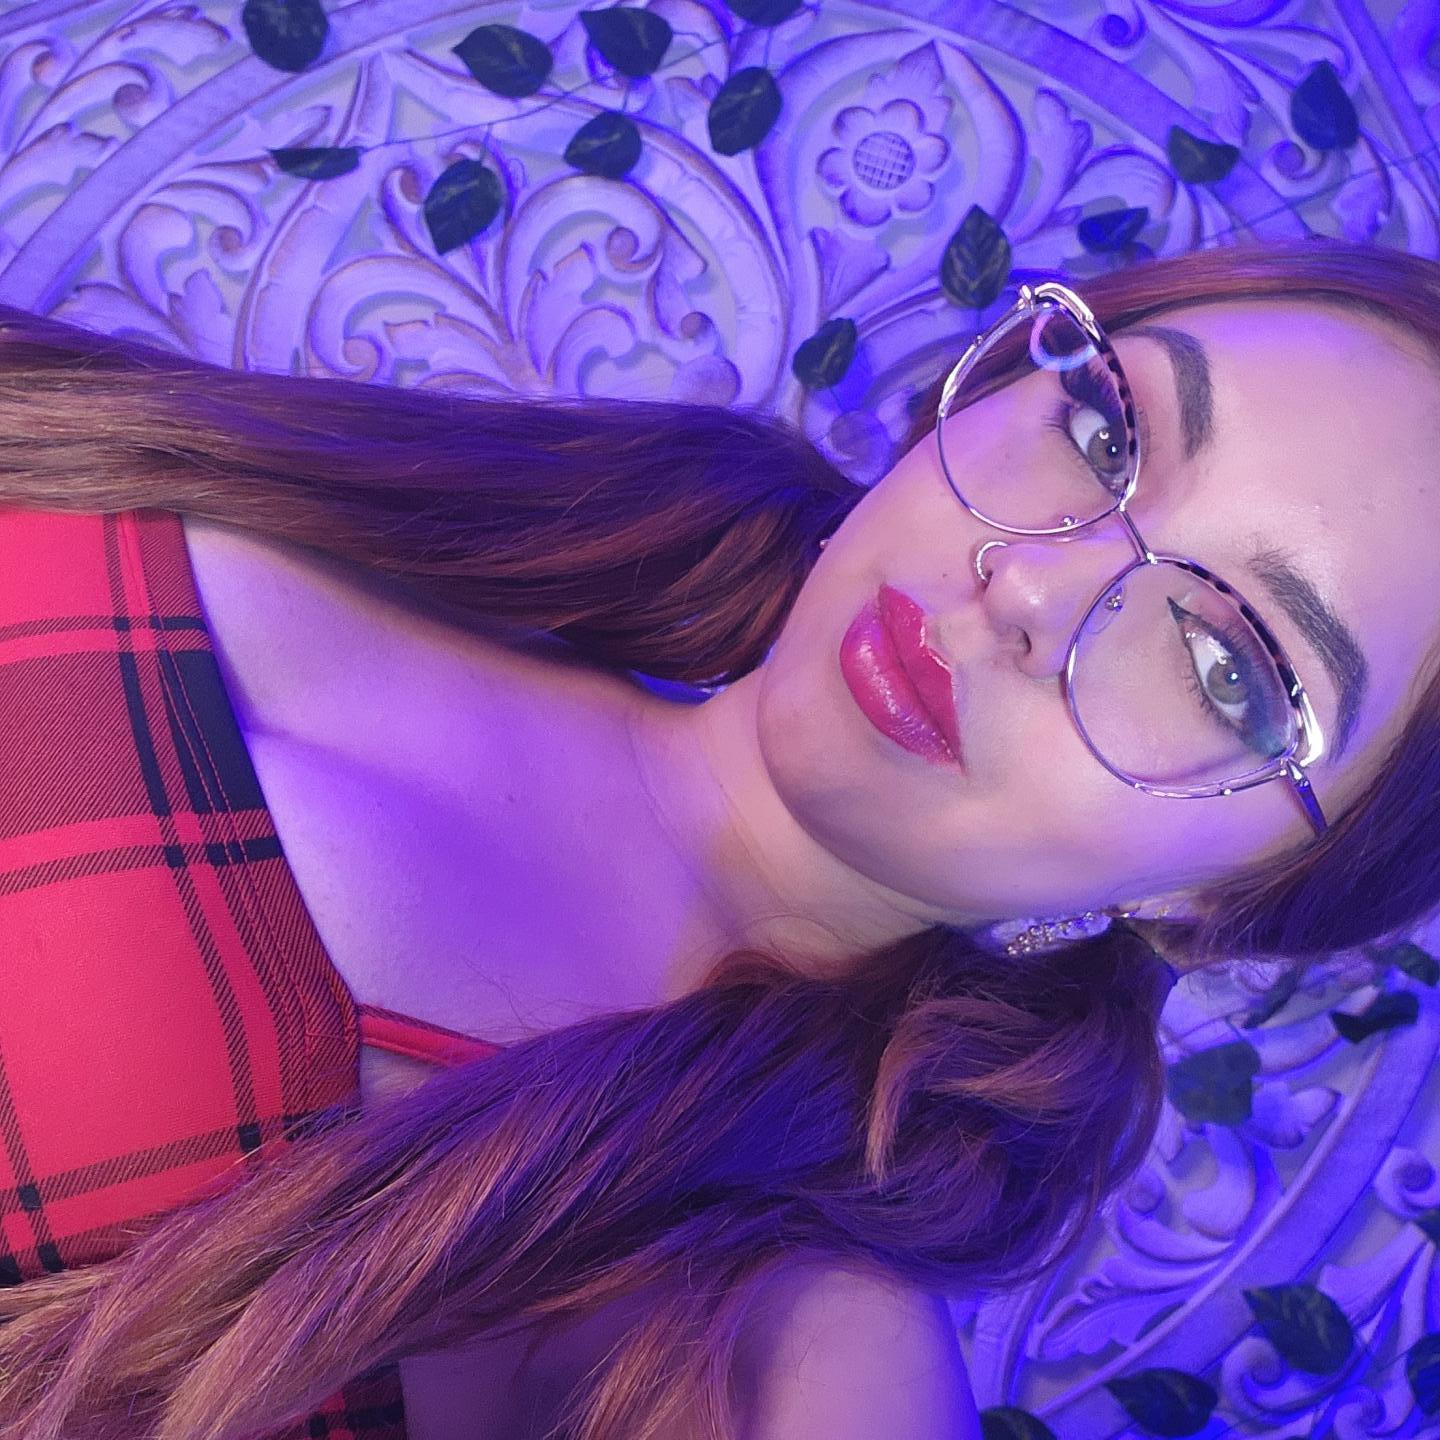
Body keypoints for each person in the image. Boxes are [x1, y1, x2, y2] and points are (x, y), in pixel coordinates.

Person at [1, 234, 1438, 1440]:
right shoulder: (470, 510)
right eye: (1109, 431)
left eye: (1225, 668)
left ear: (1222, 904)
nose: (1031, 587)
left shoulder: (780, 1349)